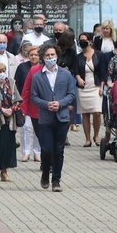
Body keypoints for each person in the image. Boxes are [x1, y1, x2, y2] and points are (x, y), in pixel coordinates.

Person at [31, 44, 76, 192]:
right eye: (47, 56)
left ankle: (56, 180)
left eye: (52, 55)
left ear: (57, 56)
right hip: (45, 118)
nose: (50, 58)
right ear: (43, 58)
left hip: (62, 117)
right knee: (46, 149)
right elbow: (33, 97)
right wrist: (46, 104)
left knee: (59, 149)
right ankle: (45, 173)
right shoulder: (37, 76)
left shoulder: (65, 74)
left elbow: (71, 94)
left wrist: (60, 103)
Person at [75, 32, 104, 147]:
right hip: (83, 88)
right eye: (80, 39)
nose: (82, 41)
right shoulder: (78, 57)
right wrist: (78, 78)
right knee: (85, 114)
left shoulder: (99, 55)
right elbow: (75, 70)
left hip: (96, 87)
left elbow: (103, 72)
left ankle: (96, 135)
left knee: (97, 112)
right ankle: (87, 139)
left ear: (90, 41)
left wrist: (102, 87)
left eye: (84, 39)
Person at [15, 45, 41, 162]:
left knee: (38, 129)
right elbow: (18, 85)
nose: (34, 57)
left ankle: (37, 152)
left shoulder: (42, 68)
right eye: (31, 55)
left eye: (36, 54)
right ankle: (25, 152)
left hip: (39, 103)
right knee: (25, 127)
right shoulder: (22, 67)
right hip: (25, 101)